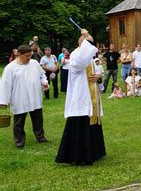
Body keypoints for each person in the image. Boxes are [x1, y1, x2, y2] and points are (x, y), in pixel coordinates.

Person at [56, 29, 106, 165]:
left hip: (92, 94)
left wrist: (98, 77)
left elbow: (96, 73)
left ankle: (95, 152)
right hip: (82, 95)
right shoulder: (76, 55)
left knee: (94, 122)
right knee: (81, 122)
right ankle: (81, 155)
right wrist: (85, 36)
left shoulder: (89, 58)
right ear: (82, 44)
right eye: (88, 44)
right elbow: (80, 65)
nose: (91, 47)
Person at [0, 44, 49, 148]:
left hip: (35, 96)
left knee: (38, 120)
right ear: (19, 54)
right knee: (19, 122)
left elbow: (42, 75)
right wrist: (3, 101)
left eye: (30, 55)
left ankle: (40, 137)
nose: (29, 57)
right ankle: (19, 141)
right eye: (27, 55)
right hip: (19, 98)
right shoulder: (11, 67)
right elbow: (5, 85)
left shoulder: (34, 63)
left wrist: (44, 82)